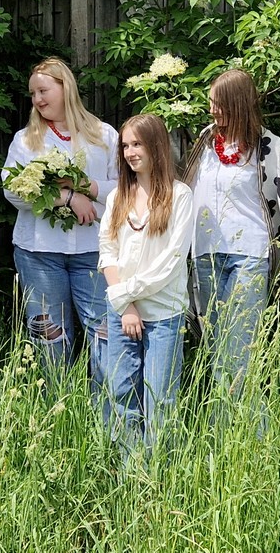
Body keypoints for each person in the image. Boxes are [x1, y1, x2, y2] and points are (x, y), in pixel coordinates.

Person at [181, 69, 280, 396]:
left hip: (249, 256)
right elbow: (182, 189)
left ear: (238, 104)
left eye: (219, 104)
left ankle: (245, 423)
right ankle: (225, 423)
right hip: (205, 254)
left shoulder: (267, 146)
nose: (212, 110)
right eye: (211, 103)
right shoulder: (205, 141)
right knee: (213, 347)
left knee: (239, 350)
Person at [2, 57, 118, 393]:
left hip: (94, 252)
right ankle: (57, 409)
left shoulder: (103, 135)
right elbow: (13, 190)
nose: (37, 99)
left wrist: (85, 187)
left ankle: (106, 412)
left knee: (106, 333)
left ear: (66, 87)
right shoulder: (26, 140)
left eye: (43, 90)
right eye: (33, 94)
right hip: (39, 253)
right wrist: (65, 198)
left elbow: (123, 189)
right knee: (50, 337)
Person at [99, 114, 194, 453]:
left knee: (160, 398)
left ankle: (159, 473)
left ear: (156, 145)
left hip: (163, 312)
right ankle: (129, 472)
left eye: (137, 144)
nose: (130, 152)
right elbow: (107, 252)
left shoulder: (180, 196)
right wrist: (125, 305)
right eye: (125, 145)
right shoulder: (117, 198)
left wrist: (126, 293)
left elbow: (171, 261)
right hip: (122, 312)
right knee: (122, 393)